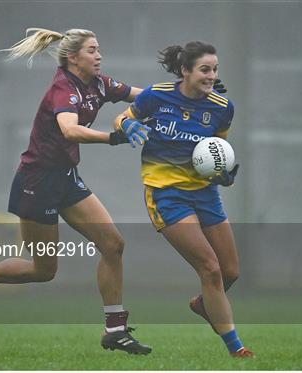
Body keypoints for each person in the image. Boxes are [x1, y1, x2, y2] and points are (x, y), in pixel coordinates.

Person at [0, 28, 153, 355]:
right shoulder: (64, 88)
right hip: (37, 182)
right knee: (43, 270)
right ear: (74, 58)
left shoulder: (99, 83)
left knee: (113, 245)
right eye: (92, 50)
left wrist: (187, 92)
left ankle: (115, 330)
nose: (99, 55)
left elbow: (144, 96)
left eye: (99, 49)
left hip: (65, 178)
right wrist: (113, 137)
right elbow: (69, 129)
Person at [113, 41, 254, 357]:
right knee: (210, 268)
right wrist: (129, 123)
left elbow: (218, 153)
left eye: (215, 69)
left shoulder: (221, 107)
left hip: (206, 195)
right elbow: (120, 119)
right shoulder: (156, 95)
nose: (211, 75)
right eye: (205, 69)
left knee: (231, 272)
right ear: (185, 71)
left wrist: (224, 174)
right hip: (167, 195)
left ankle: (204, 305)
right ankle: (236, 349)